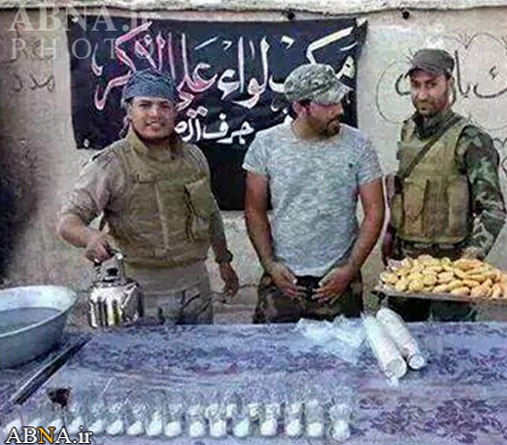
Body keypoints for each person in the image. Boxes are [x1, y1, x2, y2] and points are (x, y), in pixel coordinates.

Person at [57, 68, 239, 325]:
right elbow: (68, 221)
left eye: (164, 106)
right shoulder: (110, 164)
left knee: (200, 351)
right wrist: (89, 236)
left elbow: (210, 213)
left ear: (175, 111)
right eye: (145, 105)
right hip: (142, 293)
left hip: (196, 288)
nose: (155, 114)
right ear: (129, 111)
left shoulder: (194, 157)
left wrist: (224, 261)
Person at [243, 63, 385, 323]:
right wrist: (269, 264)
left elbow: (375, 211)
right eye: (328, 104)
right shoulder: (266, 144)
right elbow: (254, 210)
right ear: (301, 107)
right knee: (273, 348)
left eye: (339, 101)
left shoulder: (359, 145)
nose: (339, 110)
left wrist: (350, 268)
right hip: (284, 281)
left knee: (344, 348)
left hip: (338, 283)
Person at [382, 48, 507, 322]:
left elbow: (493, 209)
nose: (422, 95)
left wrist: (471, 258)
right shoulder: (408, 130)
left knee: (453, 340)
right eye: (416, 85)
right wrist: (390, 234)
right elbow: (406, 189)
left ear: (449, 83)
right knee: (401, 335)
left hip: (451, 267)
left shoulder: (471, 139)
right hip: (408, 266)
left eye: (431, 85)